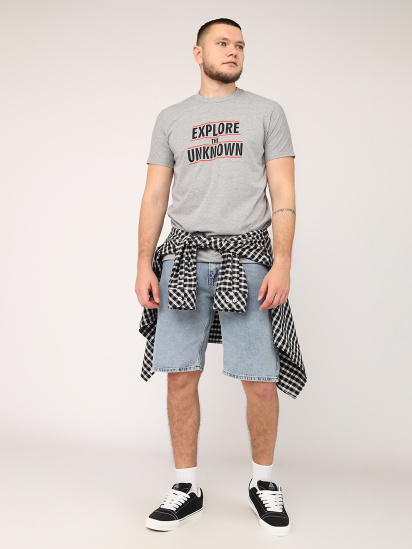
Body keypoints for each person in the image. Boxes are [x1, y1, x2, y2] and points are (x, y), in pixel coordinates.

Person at [135, 18, 298, 536]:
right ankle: (186, 487)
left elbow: (283, 194)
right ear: (197, 52)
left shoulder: (267, 112)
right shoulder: (171, 118)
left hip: (248, 259)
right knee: (180, 374)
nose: (233, 51)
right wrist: (143, 262)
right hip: (182, 260)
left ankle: (263, 482)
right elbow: (155, 196)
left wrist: (282, 261)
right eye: (222, 44)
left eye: (240, 45)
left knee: (261, 380)